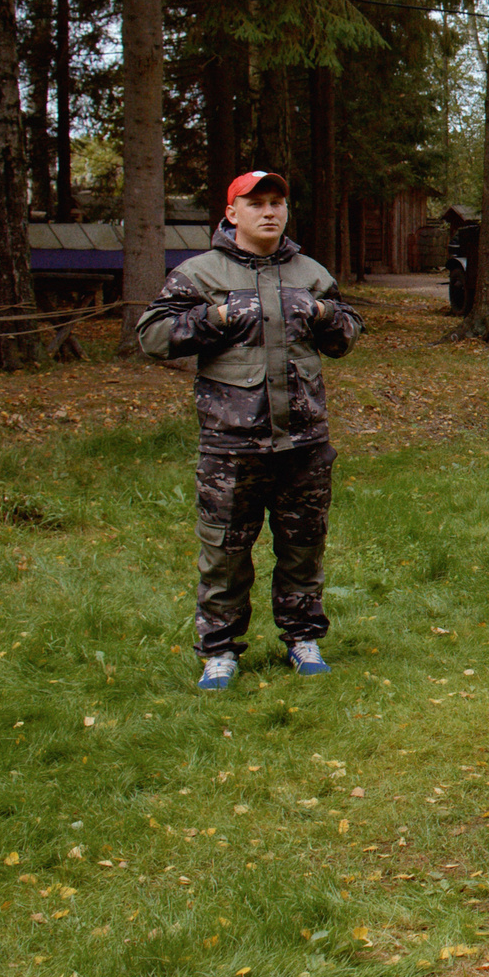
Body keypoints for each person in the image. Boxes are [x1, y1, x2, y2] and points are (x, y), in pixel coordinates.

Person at [136, 171, 364, 692]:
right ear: (232, 212)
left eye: (277, 202)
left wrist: (326, 312)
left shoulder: (309, 272)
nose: (269, 212)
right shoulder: (200, 274)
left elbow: (346, 335)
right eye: (255, 203)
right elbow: (152, 334)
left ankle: (302, 640)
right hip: (231, 447)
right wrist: (215, 317)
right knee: (225, 552)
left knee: (303, 546)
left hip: (304, 444)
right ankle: (218, 652)